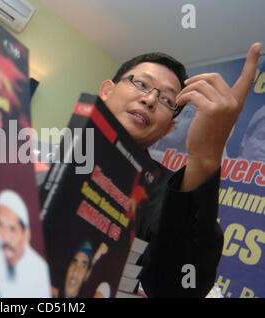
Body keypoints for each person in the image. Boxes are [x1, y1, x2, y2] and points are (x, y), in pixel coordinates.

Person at [97, 42, 262, 297]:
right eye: (141, 84)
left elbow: (178, 287)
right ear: (107, 90)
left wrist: (206, 156)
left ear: (167, 130)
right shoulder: (35, 157)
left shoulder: (171, 192)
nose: (150, 99)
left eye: (166, 100)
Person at [0, 189, 51, 298]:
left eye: (12, 229)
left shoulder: (39, 272)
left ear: (26, 235)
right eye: (0, 225)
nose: (5, 237)